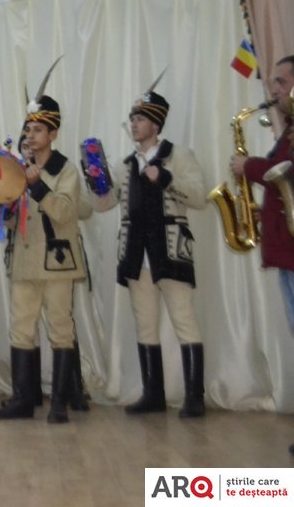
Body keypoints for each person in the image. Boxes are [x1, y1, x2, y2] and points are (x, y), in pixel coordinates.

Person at [92, 88, 207, 416]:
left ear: (155, 124)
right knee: (145, 324)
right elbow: (103, 204)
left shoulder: (179, 156)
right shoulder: (125, 164)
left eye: (140, 118)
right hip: (135, 253)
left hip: (170, 251)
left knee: (185, 321)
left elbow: (199, 197)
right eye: (132, 118)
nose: (134, 123)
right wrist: (95, 180)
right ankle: (153, 395)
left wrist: (166, 177)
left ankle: (195, 397)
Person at [0, 94, 85, 423]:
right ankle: (23, 399)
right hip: (24, 261)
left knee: (60, 329)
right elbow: (13, 221)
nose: (30, 136)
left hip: (57, 263)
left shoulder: (66, 170)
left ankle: (59, 402)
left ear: (53, 134)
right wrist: (4, 205)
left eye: (38, 130)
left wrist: (37, 185)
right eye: (28, 129)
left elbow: (64, 212)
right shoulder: (19, 170)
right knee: (21, 329)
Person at [230, 55, 294, 452]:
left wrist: (248, 165)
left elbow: (284, 170)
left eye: (281, 82)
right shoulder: (287, 132)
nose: (274, 90)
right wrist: (263, 212)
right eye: (273, 82)